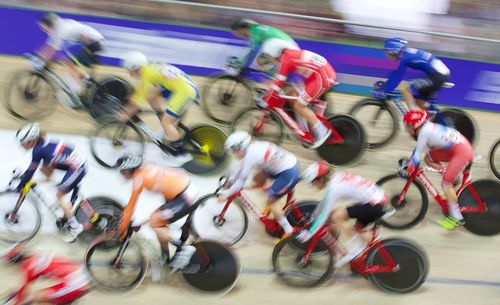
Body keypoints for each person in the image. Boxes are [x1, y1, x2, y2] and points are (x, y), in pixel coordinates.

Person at [296, 160, 388, 268]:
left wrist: (310, 233)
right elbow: (325, 202)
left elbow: (324, 214)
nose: (313, 186)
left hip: (374, 204)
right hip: (378, 199)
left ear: (319, 180)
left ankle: (357, 247)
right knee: (355, 230)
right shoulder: (336, 177)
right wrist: (313, 217)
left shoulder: (334, 188)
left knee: (336, 216)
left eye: (313, 183)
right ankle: (366, 255)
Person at [115, 155, 199, 271]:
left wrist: (121, 229)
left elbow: (130, 207)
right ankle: (165, 257)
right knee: (157, 220)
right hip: (184, 193)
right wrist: (140, 223)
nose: (121, 175)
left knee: (155, 222)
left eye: (122, 172)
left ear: (128, 170)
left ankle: (184, 247)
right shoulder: (146, 169)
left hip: (183, 196)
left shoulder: (139, 178)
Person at [118, 51, 199, 165]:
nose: (128, 73)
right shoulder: (149, 68)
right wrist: (130, 103)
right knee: (151, 97)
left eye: (129, 70)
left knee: (167, 123)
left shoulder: (146, 74)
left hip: (185, 92)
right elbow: (141, 92)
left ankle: (182, 154)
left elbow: (138, 100)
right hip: (181, 87)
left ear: (135, 68)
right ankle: (164, 123)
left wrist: (127, 113)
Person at [218, 131, 301, 238]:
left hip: (288, 172)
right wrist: (232, 181)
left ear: (241, 147)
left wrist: (226, 194)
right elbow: (243, 170)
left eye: (234, 150)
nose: (233, 153)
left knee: (271, 200)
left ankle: (288, 229)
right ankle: (271, 206)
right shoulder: (252, 148)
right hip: (284, 166)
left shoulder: (250, 155)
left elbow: (241, 182)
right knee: (258, 179)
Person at [400, 109, 473, 230]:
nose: (407, 128)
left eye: (408, 125)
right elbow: (418, 150)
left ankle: (457, 218)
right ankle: (450, 176)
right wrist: (410, 162)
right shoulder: (426, 127)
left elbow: (416, 156)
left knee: (446, 184)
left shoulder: (424, 132)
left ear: (416, 125)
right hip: (458, 147)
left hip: (462, 151)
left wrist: (406, 171)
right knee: (429, 157)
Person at [256, 39, 336, 148]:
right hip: (318, 75)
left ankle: (323, 132)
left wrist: (266, 100)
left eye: (268, 56)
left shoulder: (285, 60)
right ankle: (304, 130)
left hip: (321, 77)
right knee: (292, 94)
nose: (268, 58)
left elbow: (278, 84)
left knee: (299, 105)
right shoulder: (287, 54)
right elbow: (278, 81)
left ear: (274, 53)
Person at [15, 123, 86, 243]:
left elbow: (31, 171)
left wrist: (21, 184)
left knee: (59, 195)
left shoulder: (37, 150)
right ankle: (62, 190)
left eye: (23, 142)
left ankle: (75, 226)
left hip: (78, 167)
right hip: (73, 163)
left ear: (32, 140)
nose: (21, 145)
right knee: (44, 167)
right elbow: (36, 168)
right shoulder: (40, 145)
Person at [34, 12, 104, 97]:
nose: (45, 30)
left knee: (69, 65)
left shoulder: (60, 29)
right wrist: (41, 57)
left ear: (49, 24)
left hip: (93, 43)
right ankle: (85, 82)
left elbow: (51, 50)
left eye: (45, 28)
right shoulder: (59, 26)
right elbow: (49, 47)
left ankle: (81, 87)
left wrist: (41, 60)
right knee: (67, 62)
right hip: (89, 43)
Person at [372, 38, 451, 110]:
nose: (387, 55)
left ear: (394, 50)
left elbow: (397, 78)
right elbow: (395, 75)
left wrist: (384, 89)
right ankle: (426, 120)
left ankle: (413, 115)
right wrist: (386, 85)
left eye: (388, 52)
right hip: (438, 75)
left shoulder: (405, 58)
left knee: (404, 86)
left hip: (439, 76)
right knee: (420, 104)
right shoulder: (406, 54)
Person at [1, 243, 93, 305]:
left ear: (15, 263)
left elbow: (21, 294)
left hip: (76, 285)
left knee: (34, 296)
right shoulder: (35, 257)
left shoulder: (29, 267)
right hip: (81, 276)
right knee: (43, 295)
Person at [230, 18, 299, 74]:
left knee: (260, 61)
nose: (236, 35)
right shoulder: (256, 29)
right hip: (288, 48)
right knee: (262, 61)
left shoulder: (254, 32)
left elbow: (253, 53)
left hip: (288, 50)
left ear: (242, 29)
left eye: (236, 32)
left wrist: (242, 66)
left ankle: (278, 77)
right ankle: (278, 76)